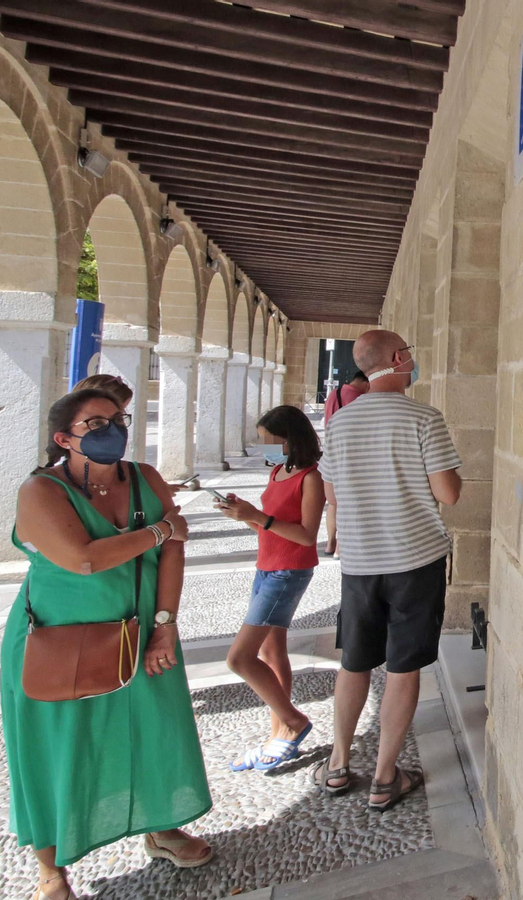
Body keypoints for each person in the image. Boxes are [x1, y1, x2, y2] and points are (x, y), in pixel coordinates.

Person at [4, 388, 213, 899]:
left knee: (151, 730)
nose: (112, 429)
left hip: (141, 629)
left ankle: (160, 826)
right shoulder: (42, 490)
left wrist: (166, 623)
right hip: (60, 636)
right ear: (63, 439)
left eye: (117, 419)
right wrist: (163, 529)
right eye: (95, 423)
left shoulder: (145, 477)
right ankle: (51, 868)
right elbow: (84, 559)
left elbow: (173, 554)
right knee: (57, 745)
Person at [313, 330, 461, 811]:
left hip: (359, 563)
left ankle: (337, 764)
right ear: (399, 359)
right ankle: (383, 777)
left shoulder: (338, 424)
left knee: (354, 661)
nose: (412, 362)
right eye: (410, 354)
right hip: (414, 560)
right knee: (403, 665)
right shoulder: (424, 418)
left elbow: (332, 496)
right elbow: (449, 493)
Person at [215, 405, 326, 772]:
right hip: (267, 566)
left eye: (268, 439)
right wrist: (244, 515)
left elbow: (307, 536)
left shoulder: (311, 478)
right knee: (270, 652)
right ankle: (279, 730)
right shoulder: (279, 471)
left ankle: (293, 721)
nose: (264, 445)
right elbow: (268, 526)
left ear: (288, 438)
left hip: (288, 571)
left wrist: (259, 516)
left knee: (239, 658)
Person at [322, 370, 369, 555]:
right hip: (351, 454)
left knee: (333, 503)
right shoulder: (360, 399)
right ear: (366, 382)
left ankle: (330, 543)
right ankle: (341, 547)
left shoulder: (335, 393)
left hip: (332, 451)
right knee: (349, 501)